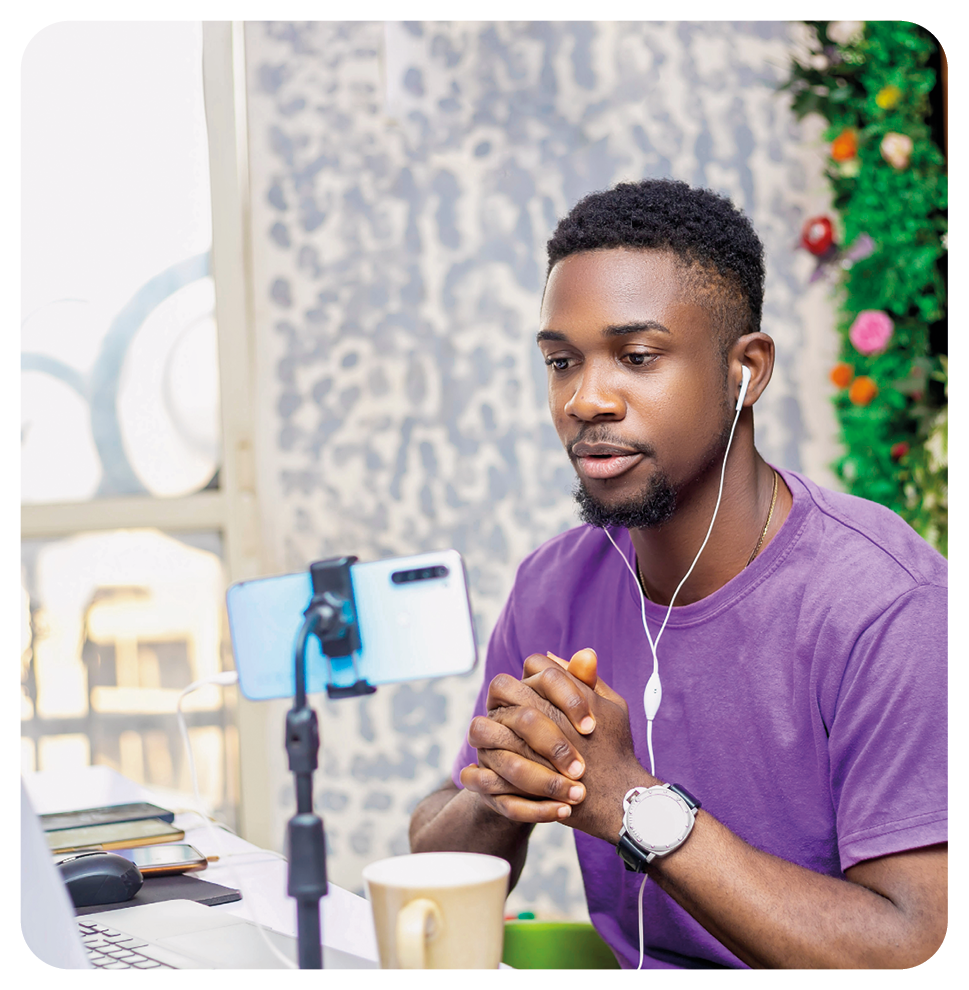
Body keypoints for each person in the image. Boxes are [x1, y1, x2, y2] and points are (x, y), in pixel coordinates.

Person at [408, 179, 947, 969]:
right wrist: (508, 778)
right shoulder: (552, 587)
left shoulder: (886, 606)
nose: (585, 399)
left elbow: (917, 952)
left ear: (745, 372)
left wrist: (630, 802)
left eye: (635, 356)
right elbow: (433, 863)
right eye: (561, 362)